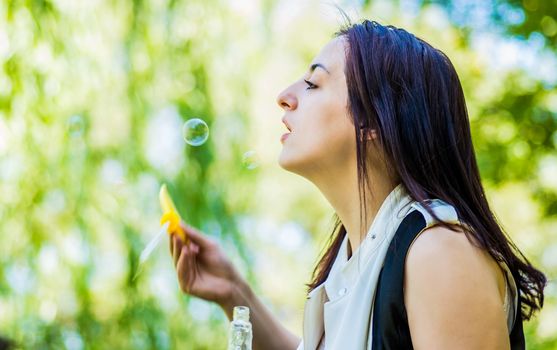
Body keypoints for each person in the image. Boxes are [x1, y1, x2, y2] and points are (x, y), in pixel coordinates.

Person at [169, 19, 546, 349]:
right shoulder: (355, 261)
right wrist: (235, 293)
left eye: (313, 84)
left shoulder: (440, 250)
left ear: (372, 121)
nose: (284, 97)